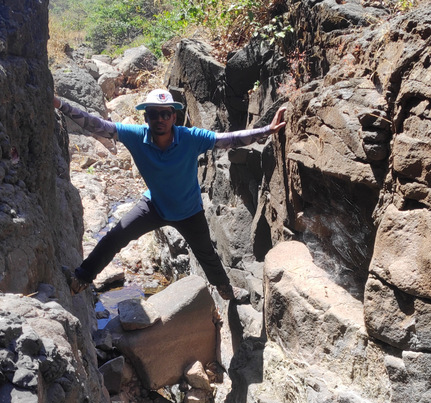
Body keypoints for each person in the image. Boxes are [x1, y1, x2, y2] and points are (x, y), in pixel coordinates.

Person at [55, 88, 287, 301]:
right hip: (154, 205)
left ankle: (225, 289)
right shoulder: (136, 135)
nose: (160, 119)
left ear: (174, 117)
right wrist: (60, 104)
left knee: (206, 253)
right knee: (115, 237)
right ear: (146, 118)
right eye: (154, 114)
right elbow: (96, 125)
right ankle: (81, 279)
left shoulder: (190, 137)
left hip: (189, 210)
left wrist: (267, 130)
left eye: (166, 114)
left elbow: (228, 140)